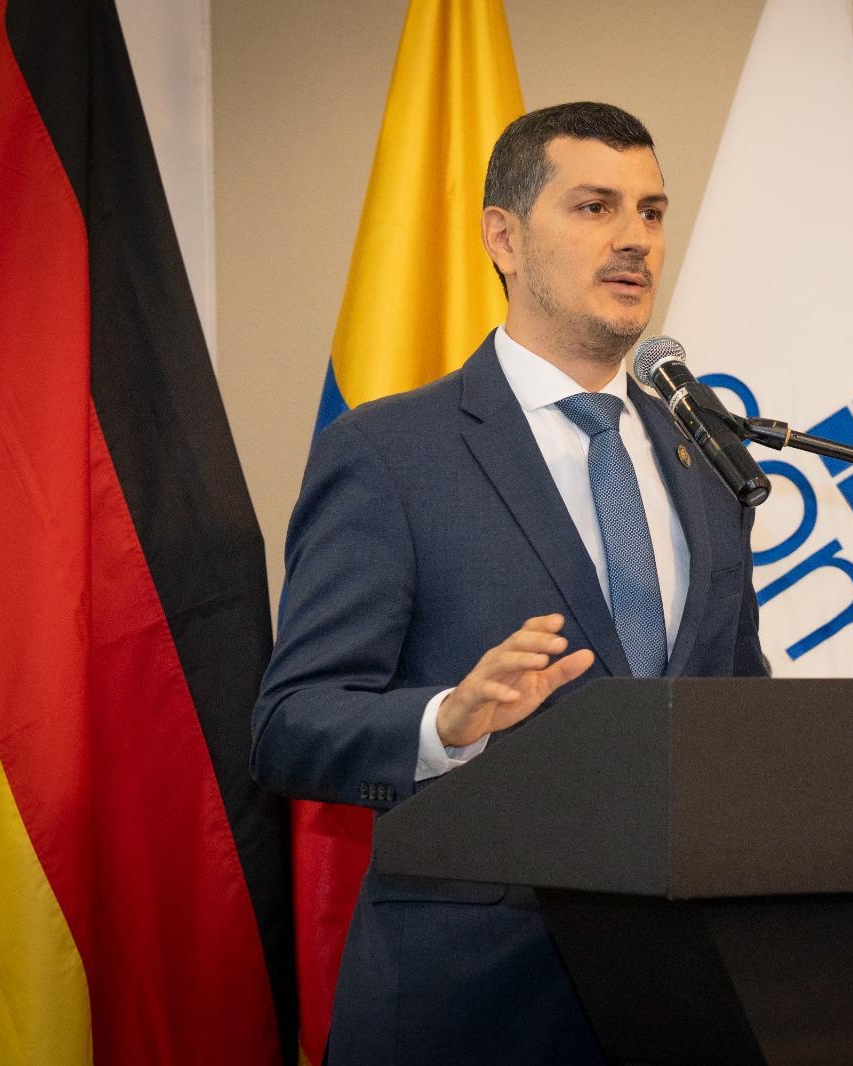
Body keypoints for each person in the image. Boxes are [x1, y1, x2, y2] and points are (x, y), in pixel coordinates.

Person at [251, 102, 767, 1064]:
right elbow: (290, 725)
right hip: (473, 1002)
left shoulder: (708, 455)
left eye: (652, 213)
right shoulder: (390, 453)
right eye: (593, 207)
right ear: (504, 236)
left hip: (689, 995)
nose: (634, 240)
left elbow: (738, 709)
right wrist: (446, 720)